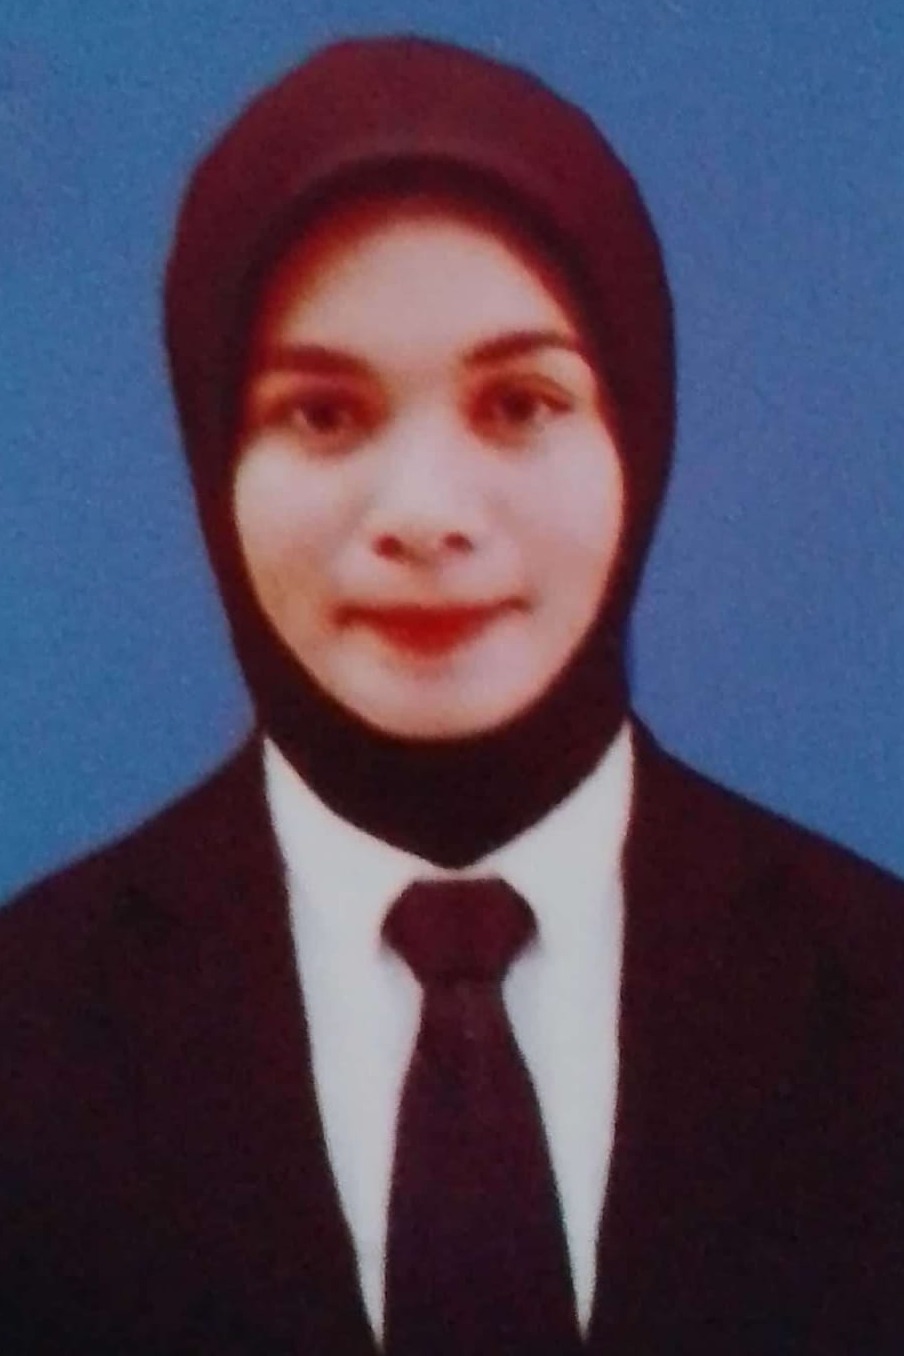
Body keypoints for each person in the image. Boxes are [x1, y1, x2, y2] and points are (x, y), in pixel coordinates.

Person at [1, 33, 903, 1356]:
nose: (426, 515)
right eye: (322, 415)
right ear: (213, 454)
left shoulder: (875, 993)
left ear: (637, 430)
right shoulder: (27, 1028)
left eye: (520, 403)